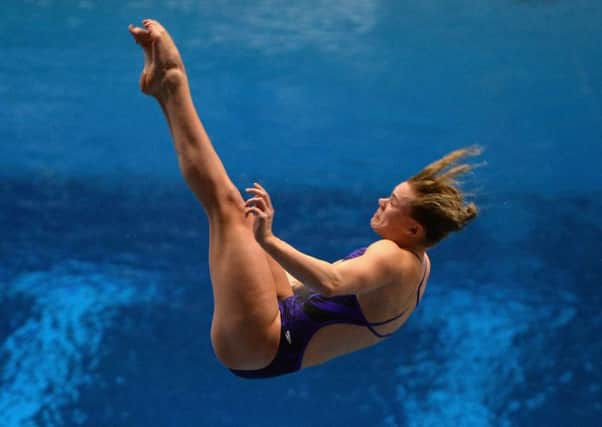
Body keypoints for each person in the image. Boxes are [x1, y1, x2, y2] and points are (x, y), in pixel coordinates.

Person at [128, 19, 483, 379]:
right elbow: (317, 296)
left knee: (227, 206)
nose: (380, 201)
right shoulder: (418, 263)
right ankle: (164, 89)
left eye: (392, 202)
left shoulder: (393, 258)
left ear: (413, 227)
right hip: (279, 329)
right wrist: (265, 249)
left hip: (262, 343)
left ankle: (173, 81)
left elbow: (329, 282)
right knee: (244, 216)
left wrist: (268, 240)